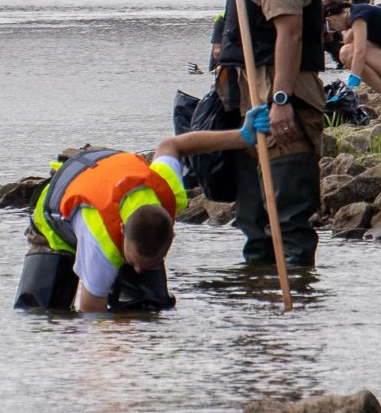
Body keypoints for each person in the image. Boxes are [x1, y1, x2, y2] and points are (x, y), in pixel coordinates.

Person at [18, 112, 271, 312]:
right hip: (56, 215)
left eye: (145, 263)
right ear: (122, 232)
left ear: (172, 235)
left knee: (148, 306)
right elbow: (91, 314)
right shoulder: (101, 247)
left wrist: (241, 137)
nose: (137, 270)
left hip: (109, 180)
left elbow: (171, 145)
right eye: (136, 261)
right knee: (44, 311)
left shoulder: (165, 192)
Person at [219, 0, 326, 267]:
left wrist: (280, 100)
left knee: (287, 221)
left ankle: (294, 313)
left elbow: (291, 33)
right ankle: (259, 303)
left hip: (283, 101)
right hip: (256, 105)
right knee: (256, 222)